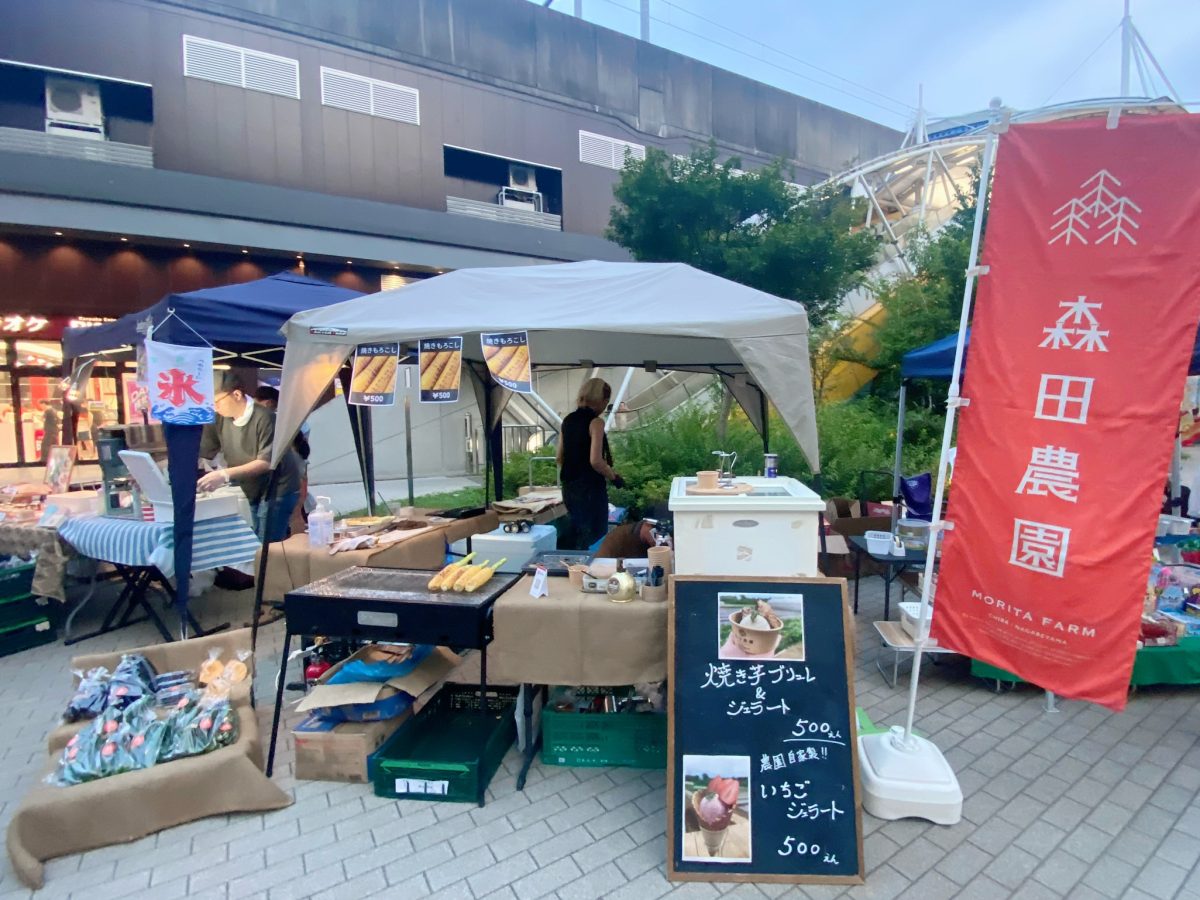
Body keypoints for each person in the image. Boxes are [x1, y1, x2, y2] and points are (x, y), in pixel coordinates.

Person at [199, 374, 301, 543]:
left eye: (217, 402)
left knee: (266, 545)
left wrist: (223, 475)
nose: (215, 408)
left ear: (237, 395)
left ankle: (275, 569)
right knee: (257, 543)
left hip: (278, 487)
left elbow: (265, 462)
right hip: (252, 488)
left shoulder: (265, 417)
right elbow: (205, 451)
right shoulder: (218, 418)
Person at [556, 377, 623, 550]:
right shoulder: (596, 423)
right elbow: (596, 460)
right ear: (604, 400)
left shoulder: (568, 420)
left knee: (577, 532)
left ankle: (573, 570)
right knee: (595, 535)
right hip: (590, 488)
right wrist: (614, 477)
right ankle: (591, 571)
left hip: (569, 487)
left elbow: (560, 456)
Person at [596, 515, 670, 559]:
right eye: (658, 532)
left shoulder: (669, 540)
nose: (660, 539)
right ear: (647, 524)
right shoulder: (617, 537)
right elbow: (600, 563)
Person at [38, 398, 59, 464]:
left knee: (45, 445)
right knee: (53, 445)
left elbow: (44, 419)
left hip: (50, 431)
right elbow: (57, 420)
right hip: (54, 431)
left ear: (44, 404)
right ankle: (54, 459)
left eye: (41, 405)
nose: (40, 407)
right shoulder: (54, 411)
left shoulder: (48, 411)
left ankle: (45, 460)